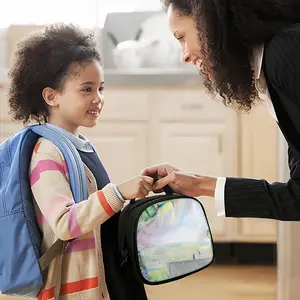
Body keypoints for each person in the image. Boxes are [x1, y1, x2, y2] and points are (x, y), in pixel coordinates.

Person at [7, 24, 153, 300]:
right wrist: (120, 192)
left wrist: (134, 191)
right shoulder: (47, 154)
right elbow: (64, 223)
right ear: (51, 96)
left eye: (100, 88)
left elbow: (96, 209)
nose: (98, 99)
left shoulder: (78, 146)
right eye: (86, 89)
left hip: (105, 273)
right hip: (78, 287)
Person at [142, 0, 300, 221]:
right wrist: (199, 184)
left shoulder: (286, 54)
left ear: (211, 23)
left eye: (182, 37)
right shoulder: (275, 60)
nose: (184, 56)